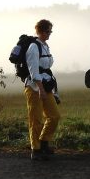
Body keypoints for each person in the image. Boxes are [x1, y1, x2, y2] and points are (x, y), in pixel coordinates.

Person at [24, 19, 61, 160]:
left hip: (45, 85)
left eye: (50, 31)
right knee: (36, 119)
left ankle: (44, 142)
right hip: (34, 87)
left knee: (54, 116)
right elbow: (33, 71)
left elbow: (46, 66)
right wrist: (40, 89)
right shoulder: (34, 47)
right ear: (40, 31)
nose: (49, 34)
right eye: (47, 31)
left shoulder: (45, 46)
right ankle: (36, 150)